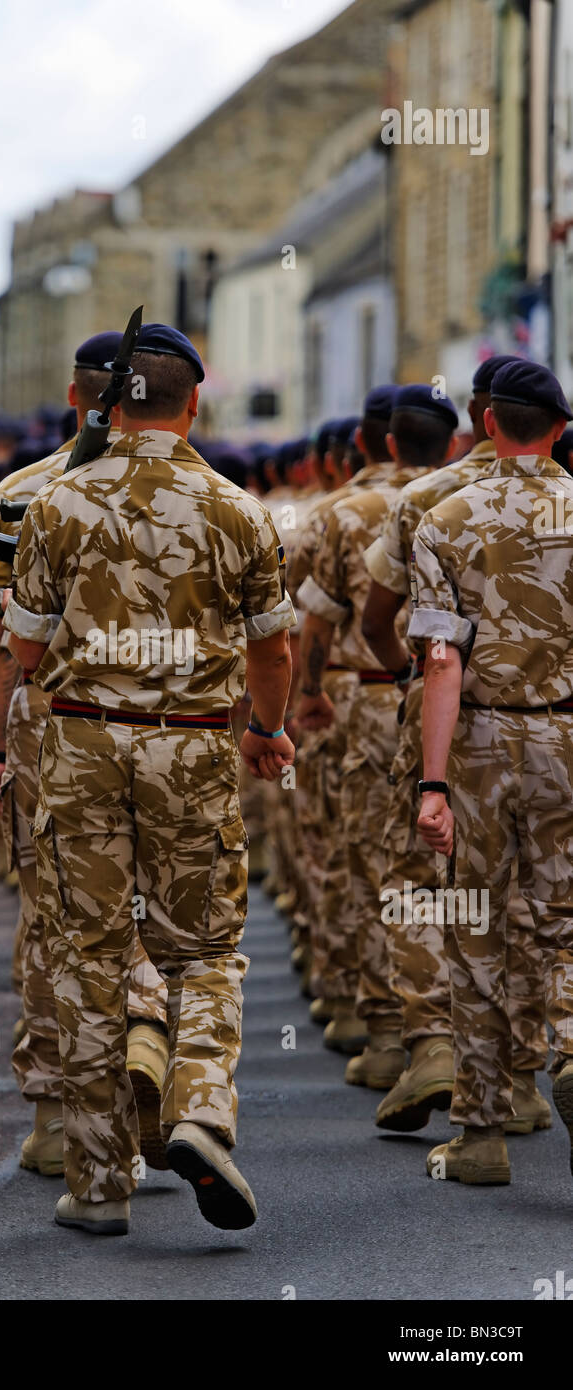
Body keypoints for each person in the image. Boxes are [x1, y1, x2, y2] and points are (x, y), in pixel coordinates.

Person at [3, 322, 296, 1235]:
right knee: (202, 951)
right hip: (195, 743)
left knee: (88, 960)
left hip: (85, 743)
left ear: (108, 403)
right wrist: (270, 731)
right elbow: (274, 649)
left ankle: (98, 1185)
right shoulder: (237, 509)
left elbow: (23, 646)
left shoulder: (57, 503)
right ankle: (199, 1111)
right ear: (193, 404)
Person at [0, 332, 169, 1180]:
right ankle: (148, 1039)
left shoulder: (19, 496)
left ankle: (56, 1115)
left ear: (75, 399)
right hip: (173, 726)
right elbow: (264, 639)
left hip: (56, 725)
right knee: (158, 906)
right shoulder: (210, 495)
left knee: (56, 913)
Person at [362, 356, 549, 1135]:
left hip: (456, 716)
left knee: (434, 884)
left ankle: (436, 1048)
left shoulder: (427, 502)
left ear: (481, 419)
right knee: (536, 899)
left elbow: (389, 623)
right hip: (557, 726)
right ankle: (533, 1068)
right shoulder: (562, 495)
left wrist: (411, 683)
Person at [409, 359, 573, 1185]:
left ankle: (480, 1134)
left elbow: (442, 662)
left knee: (475, 925)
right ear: (559, 428)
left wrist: (432, 784)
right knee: (565, 919)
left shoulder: (444, 518)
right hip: (569, 737)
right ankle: (570, 1052)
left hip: (477, 741)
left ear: (482, 421)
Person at [295, 385, 459, 1087]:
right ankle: (499, 1055)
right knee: (485, 880)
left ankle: (387, 1026)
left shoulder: (340, 513)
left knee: (374, 862)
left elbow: (312, 621)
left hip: (368, 697)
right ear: (451, 443)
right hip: (493, 709)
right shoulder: (465, 496)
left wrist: (304, 694)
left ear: (378, 443)